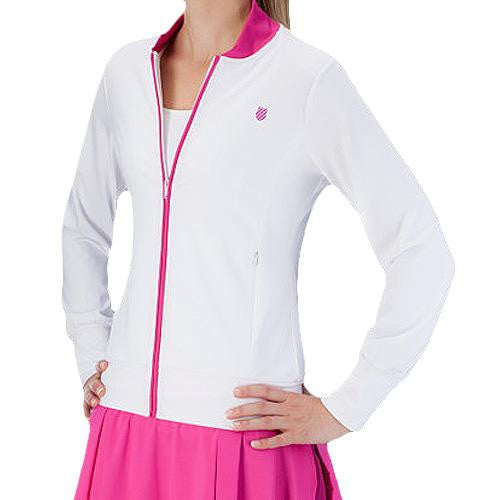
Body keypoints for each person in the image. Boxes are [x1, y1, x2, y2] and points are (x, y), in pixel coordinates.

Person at [61, 0, 454, 498]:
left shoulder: (304, 78)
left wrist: (348, 406)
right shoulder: (125, 72)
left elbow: (421, 248)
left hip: (242, 435)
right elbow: (83, 225)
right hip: (125, 430)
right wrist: (93, 353)